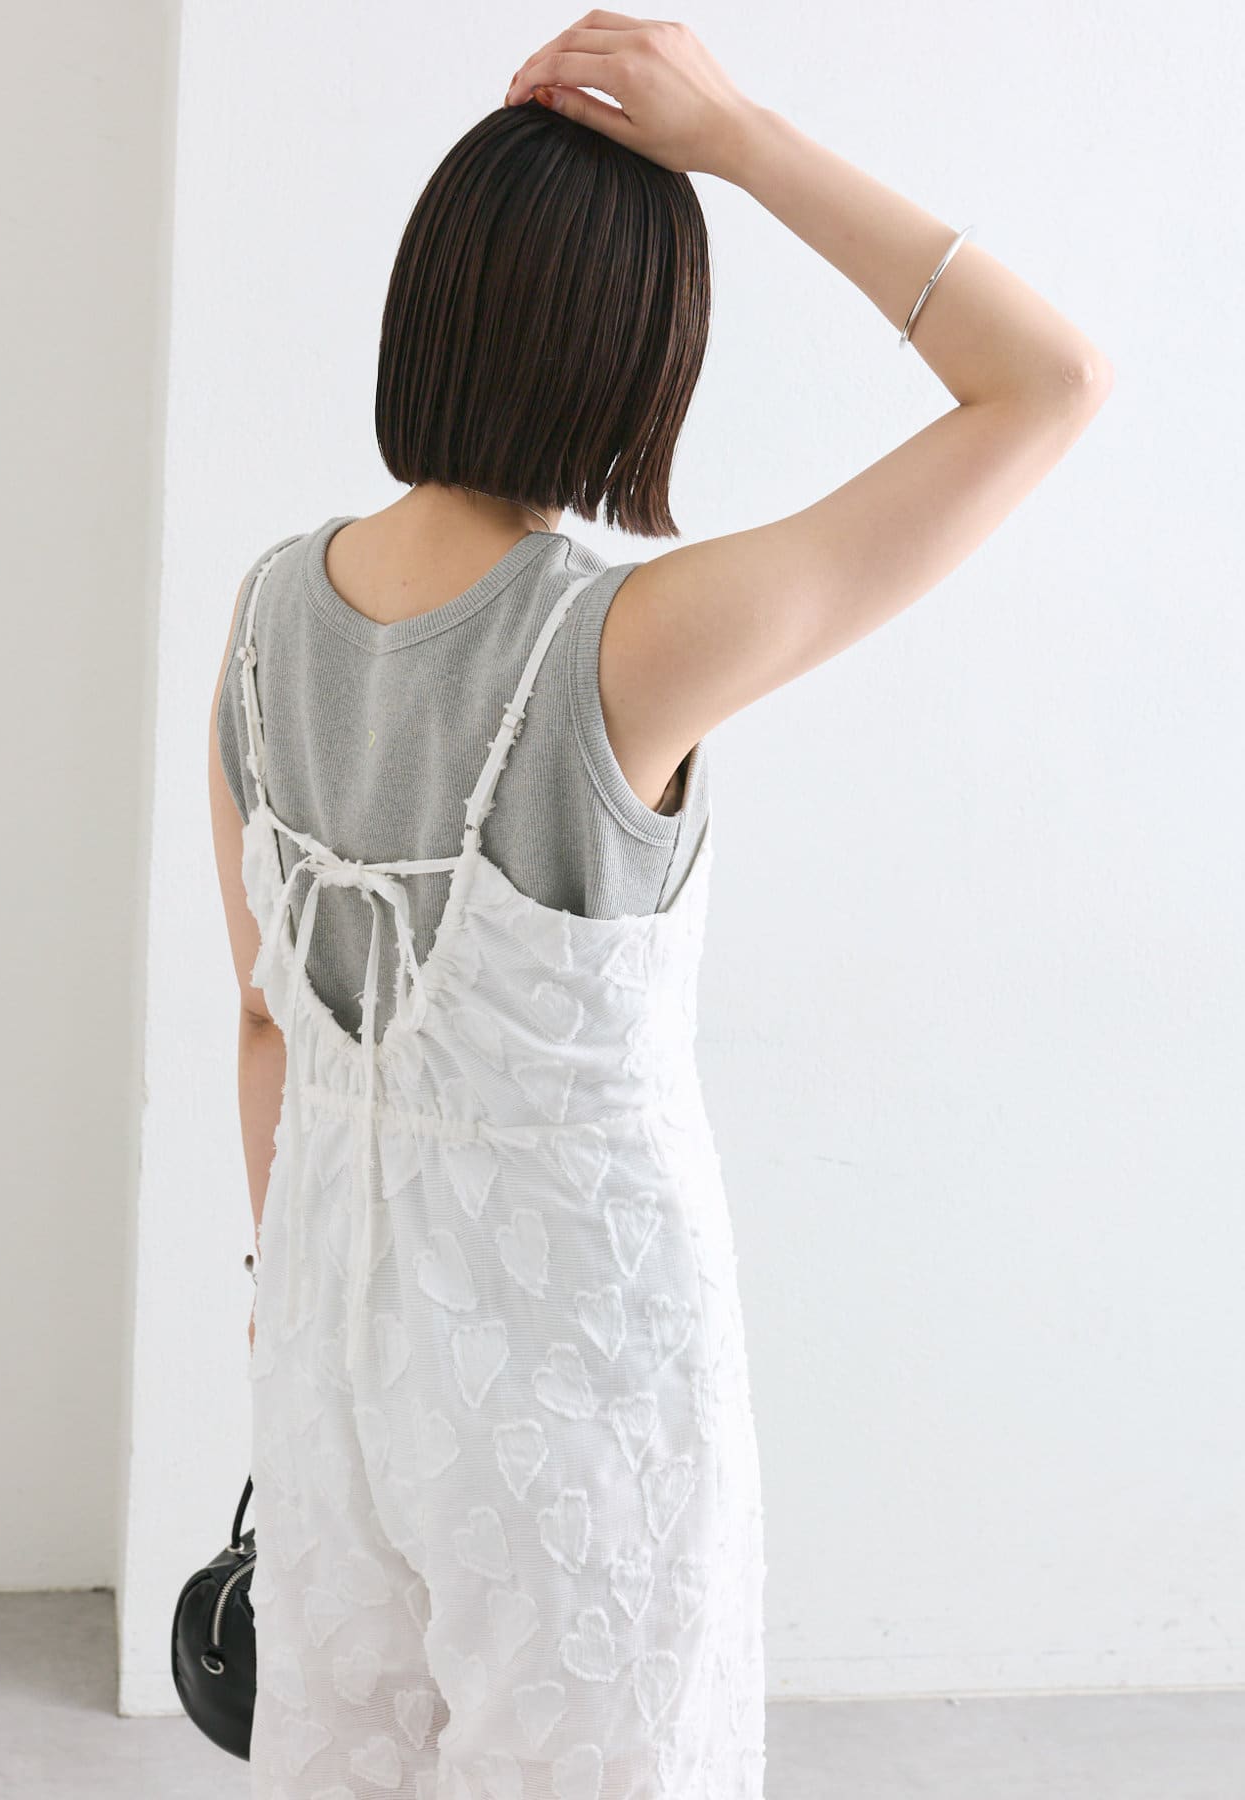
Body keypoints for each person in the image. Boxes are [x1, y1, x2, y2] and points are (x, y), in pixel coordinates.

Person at [208, 15, 1111, 1796]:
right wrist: (743, 141)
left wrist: (293, 1312)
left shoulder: (263, 621)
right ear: (639, 364)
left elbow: (263, 1020)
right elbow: (1048, 385)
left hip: (329, 1362)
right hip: (578, 1400)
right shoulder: (628, 647)